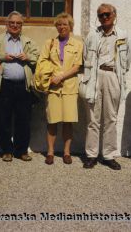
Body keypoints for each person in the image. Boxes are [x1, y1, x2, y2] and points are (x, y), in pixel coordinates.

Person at [81, 3, 131, 170]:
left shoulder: (123, 35)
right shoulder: (92, 36)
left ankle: (108, 155)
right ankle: (91, 155)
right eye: (101, 15)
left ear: (114, 15)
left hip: (112, 77)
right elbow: (85, 56)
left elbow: (127, 61)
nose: (104, 17)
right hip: (94, 77)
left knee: (111, 118)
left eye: (107, 14)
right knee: (92, 119)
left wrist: (117, 76)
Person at [0, 11, 39, 162]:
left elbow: (38, 58)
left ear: (21, 26)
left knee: (23, 119)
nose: (15, 25)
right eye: (12, 23)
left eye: (18, 23)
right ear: (6, 24)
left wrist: (28, 57)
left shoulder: (28, 41)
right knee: (3, 118)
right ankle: (7, 150)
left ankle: (22, 151)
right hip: (3, 85)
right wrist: (2, 57)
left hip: (23, 86)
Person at [36, 13, 83, 165]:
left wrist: (61, 77)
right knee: (52, 121)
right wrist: (51, 77)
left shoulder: (78, 44)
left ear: (70, 26)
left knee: (68, 122)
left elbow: (77, 66)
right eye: (59, 24)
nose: (62, 27)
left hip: (69, 87)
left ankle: (66, 152)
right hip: (53, 87)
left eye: (65, 24)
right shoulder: (49, 43)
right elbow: (42, 61)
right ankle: (50, 152)